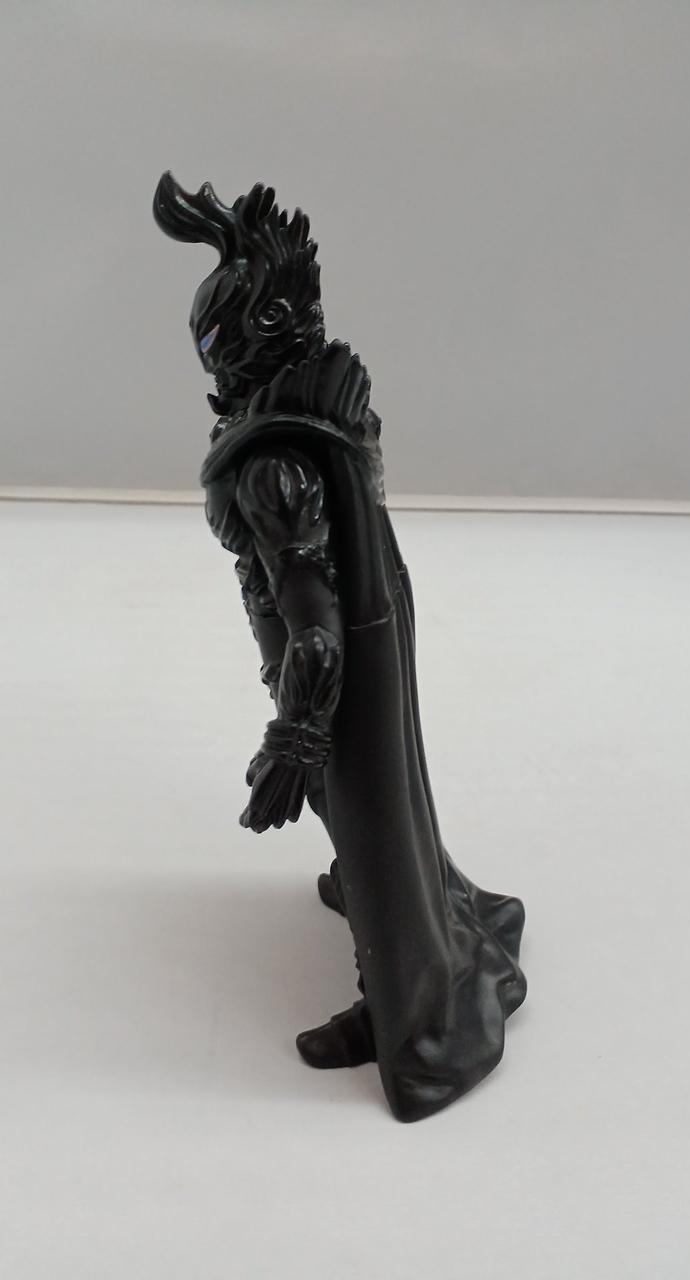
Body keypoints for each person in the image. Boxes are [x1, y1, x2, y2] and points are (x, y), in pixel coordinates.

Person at [153, 173, 527, 1121]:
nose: (214, 370)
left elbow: (315, 632)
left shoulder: (274, 463)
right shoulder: (310, 412)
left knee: (368, 817)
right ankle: (407, 906)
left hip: (333, 675)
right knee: (376, 812)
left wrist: (295, 741)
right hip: (356, 646)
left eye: (222, 347)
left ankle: (414, 1010)